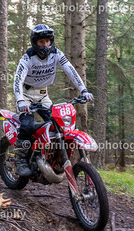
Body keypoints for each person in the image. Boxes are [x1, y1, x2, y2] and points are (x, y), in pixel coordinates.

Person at [13, 23, 93, 177]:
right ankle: (20, 160)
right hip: (26, 95)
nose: (45, 45)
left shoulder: (56, 54)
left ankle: (52, 158)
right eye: (41, 42)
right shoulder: (28, 57)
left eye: (48, 41)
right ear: (35, 42)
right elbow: (18, 79)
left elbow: (71, 71)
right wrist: (20, 100)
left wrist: (83, 90)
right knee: (27, 126)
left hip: (43, 95)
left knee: (58, 124)